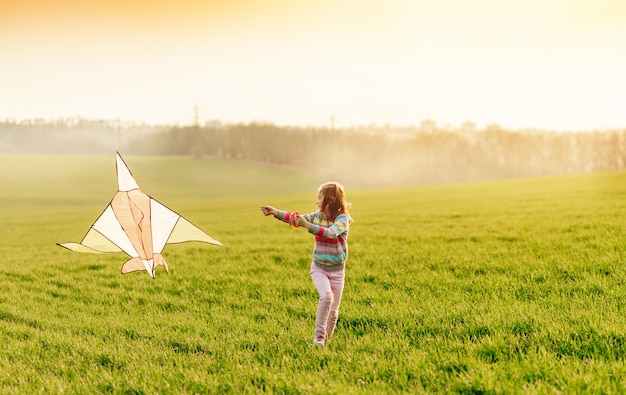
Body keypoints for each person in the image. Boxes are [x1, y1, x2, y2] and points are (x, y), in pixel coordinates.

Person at [260, 181, 352, 347]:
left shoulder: (342, 219)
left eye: (319, 198)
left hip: (338, 272)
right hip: (319, 268)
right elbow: (296, 218)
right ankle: (318, 338)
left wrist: (308, 226)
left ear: (330, 200)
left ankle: (327, 342)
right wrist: (276, 212)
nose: (316, 202)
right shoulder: (317, 216)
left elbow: (330, 234)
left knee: (333, 313)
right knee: (326, 297)